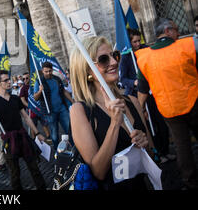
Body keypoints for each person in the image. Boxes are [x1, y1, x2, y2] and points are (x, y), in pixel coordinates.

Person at [69, 36, 154, 190]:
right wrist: (115, 124)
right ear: (87, 69)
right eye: (103, 59)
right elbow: (99, 172)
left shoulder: (132, 101)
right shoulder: (80, 111)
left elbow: (152, 156)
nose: (114, 62)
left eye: (114, 55)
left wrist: (145, 145)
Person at [136, 18, 198, 190]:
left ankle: (190, 181)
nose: (178, 33)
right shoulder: (188, 45)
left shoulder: (144, 57)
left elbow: (142, 89)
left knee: (181, 145)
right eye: (176, 30)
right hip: (194, 101)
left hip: (169, 109)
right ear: (168, 31)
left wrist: (141, 109)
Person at [0, 70, 47, 190]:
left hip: (23, 136)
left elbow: (26, 117)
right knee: (15, 174)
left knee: (34, 168)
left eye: (9, 79)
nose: (9, 82)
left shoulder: (15, 98)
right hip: (8, 140)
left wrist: (37, 133)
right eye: (6, 80)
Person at [120, 28, 173, 164]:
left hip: (153, 93)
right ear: (129, 42)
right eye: (134, 42)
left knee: (161, 122)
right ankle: (158, 153)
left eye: (139, 40)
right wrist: (134, 82)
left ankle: (166, 150)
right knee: (149, 125)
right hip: (137, 95)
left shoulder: (147, 50)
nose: (138, 44)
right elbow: (123, 79)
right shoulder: (126, 57)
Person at [34, 62, 74, 148]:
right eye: (46, 71)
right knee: (54, 133)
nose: (48, 73)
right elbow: (35, 97)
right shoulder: (39, 81)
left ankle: (74, 147)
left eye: (50, 71)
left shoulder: (57, 79)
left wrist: (72, 101)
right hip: (50, 112)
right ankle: (57, 150)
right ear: (42, 71)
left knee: (69, 129)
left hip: (62, 108)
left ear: (52, 70)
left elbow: (63, 91)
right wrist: (40, 90)